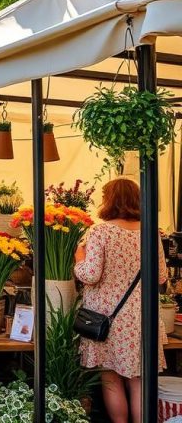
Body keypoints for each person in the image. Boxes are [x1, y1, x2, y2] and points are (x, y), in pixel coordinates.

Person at [75, 178, 167, 423]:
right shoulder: (150, 230)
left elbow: (90, 275)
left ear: (110, 200)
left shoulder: (100, 232)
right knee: (138, 380)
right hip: (141, 316)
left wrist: (79, 258)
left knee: (111, 378)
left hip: (108, 319)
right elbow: (161, 276)